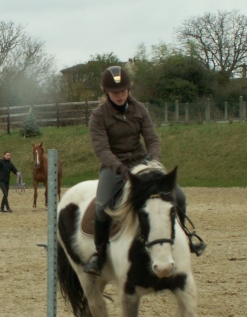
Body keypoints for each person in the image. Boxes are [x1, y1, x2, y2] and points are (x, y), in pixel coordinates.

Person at [82, 65, 206, 275]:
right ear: (107, 92)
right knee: (102, 208)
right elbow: (102, 149)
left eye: (123, 91)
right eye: (115, 92)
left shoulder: (140, 109)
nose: (120, 96)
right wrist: (121, 169)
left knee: (180, 196)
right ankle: (100, 254)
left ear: (129, 90)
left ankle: (183, 239)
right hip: (114, 168)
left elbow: (152, 139)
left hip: (143, 163)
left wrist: (154, 162)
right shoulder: (98, 116)